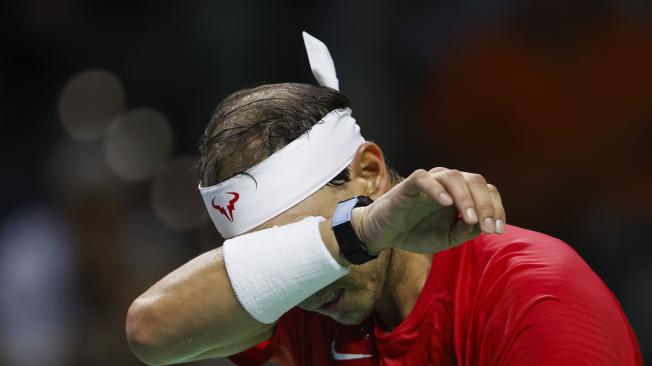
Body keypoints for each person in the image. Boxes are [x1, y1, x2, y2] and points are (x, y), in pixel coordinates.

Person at [125, 33, 642, 365]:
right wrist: (357, 235)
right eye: (278, 259)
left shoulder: (535, 294)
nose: (303, 283)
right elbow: (150, 331)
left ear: (368, 172)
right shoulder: (298, 292)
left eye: (304, 237)